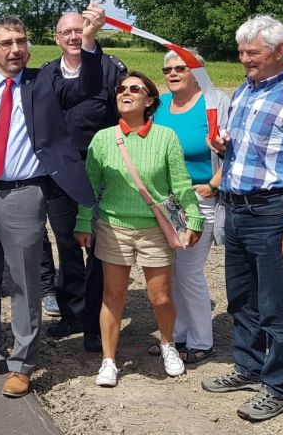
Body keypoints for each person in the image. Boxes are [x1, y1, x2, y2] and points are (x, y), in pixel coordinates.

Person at [0, 9, 106, 399]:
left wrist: (90, 41)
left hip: (25, 195)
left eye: (22, 42)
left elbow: (87, 84)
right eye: (8, 43)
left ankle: (23, 363)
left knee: (26, 283)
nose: (16, 49)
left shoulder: (44, 83)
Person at [203, 15, 283, 422]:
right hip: (236, 209)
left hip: (274, 212)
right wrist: (220, 145)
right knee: (242, 299)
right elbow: (238, 151)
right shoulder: (242, 92)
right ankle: (247, 366)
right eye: (241, 52)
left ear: (279, 51)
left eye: (252, 53)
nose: (244, 59)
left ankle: (277, 387)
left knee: (277, 305)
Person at [72, 71, 204, 388]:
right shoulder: (103, 139)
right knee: (112, 295)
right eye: (121, 88)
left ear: (149, 101)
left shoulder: (166, 138)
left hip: (154, 230)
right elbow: (90, 185)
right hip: (113, 227)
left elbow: (181, 184)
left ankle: (169, 345)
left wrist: (194, 217)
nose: (126, 92)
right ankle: (108, 361)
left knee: (159, 297)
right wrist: (83, 220)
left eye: (135, 88)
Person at [44, 11, 129, 353]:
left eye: (79, 30)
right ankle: (71, 314)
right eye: (66, 32)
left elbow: (126, 113)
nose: (73, 37)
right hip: (59, 175)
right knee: (66, 244)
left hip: (101, 173)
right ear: (57, 38)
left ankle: (95, 323)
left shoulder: (111, 69)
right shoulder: (48, 73)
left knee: (97, 249)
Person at [151, 49, 230, 365]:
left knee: (189, 271)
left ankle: (202, 340)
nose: (171, 74)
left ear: (197, 70)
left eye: (180, 68)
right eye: (167, 69)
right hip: (167, 200)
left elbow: (236, 151)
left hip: (200, 199)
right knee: (170, 271)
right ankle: (178, 335)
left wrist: (213, 184)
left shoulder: (215, 104)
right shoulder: (160, 107)